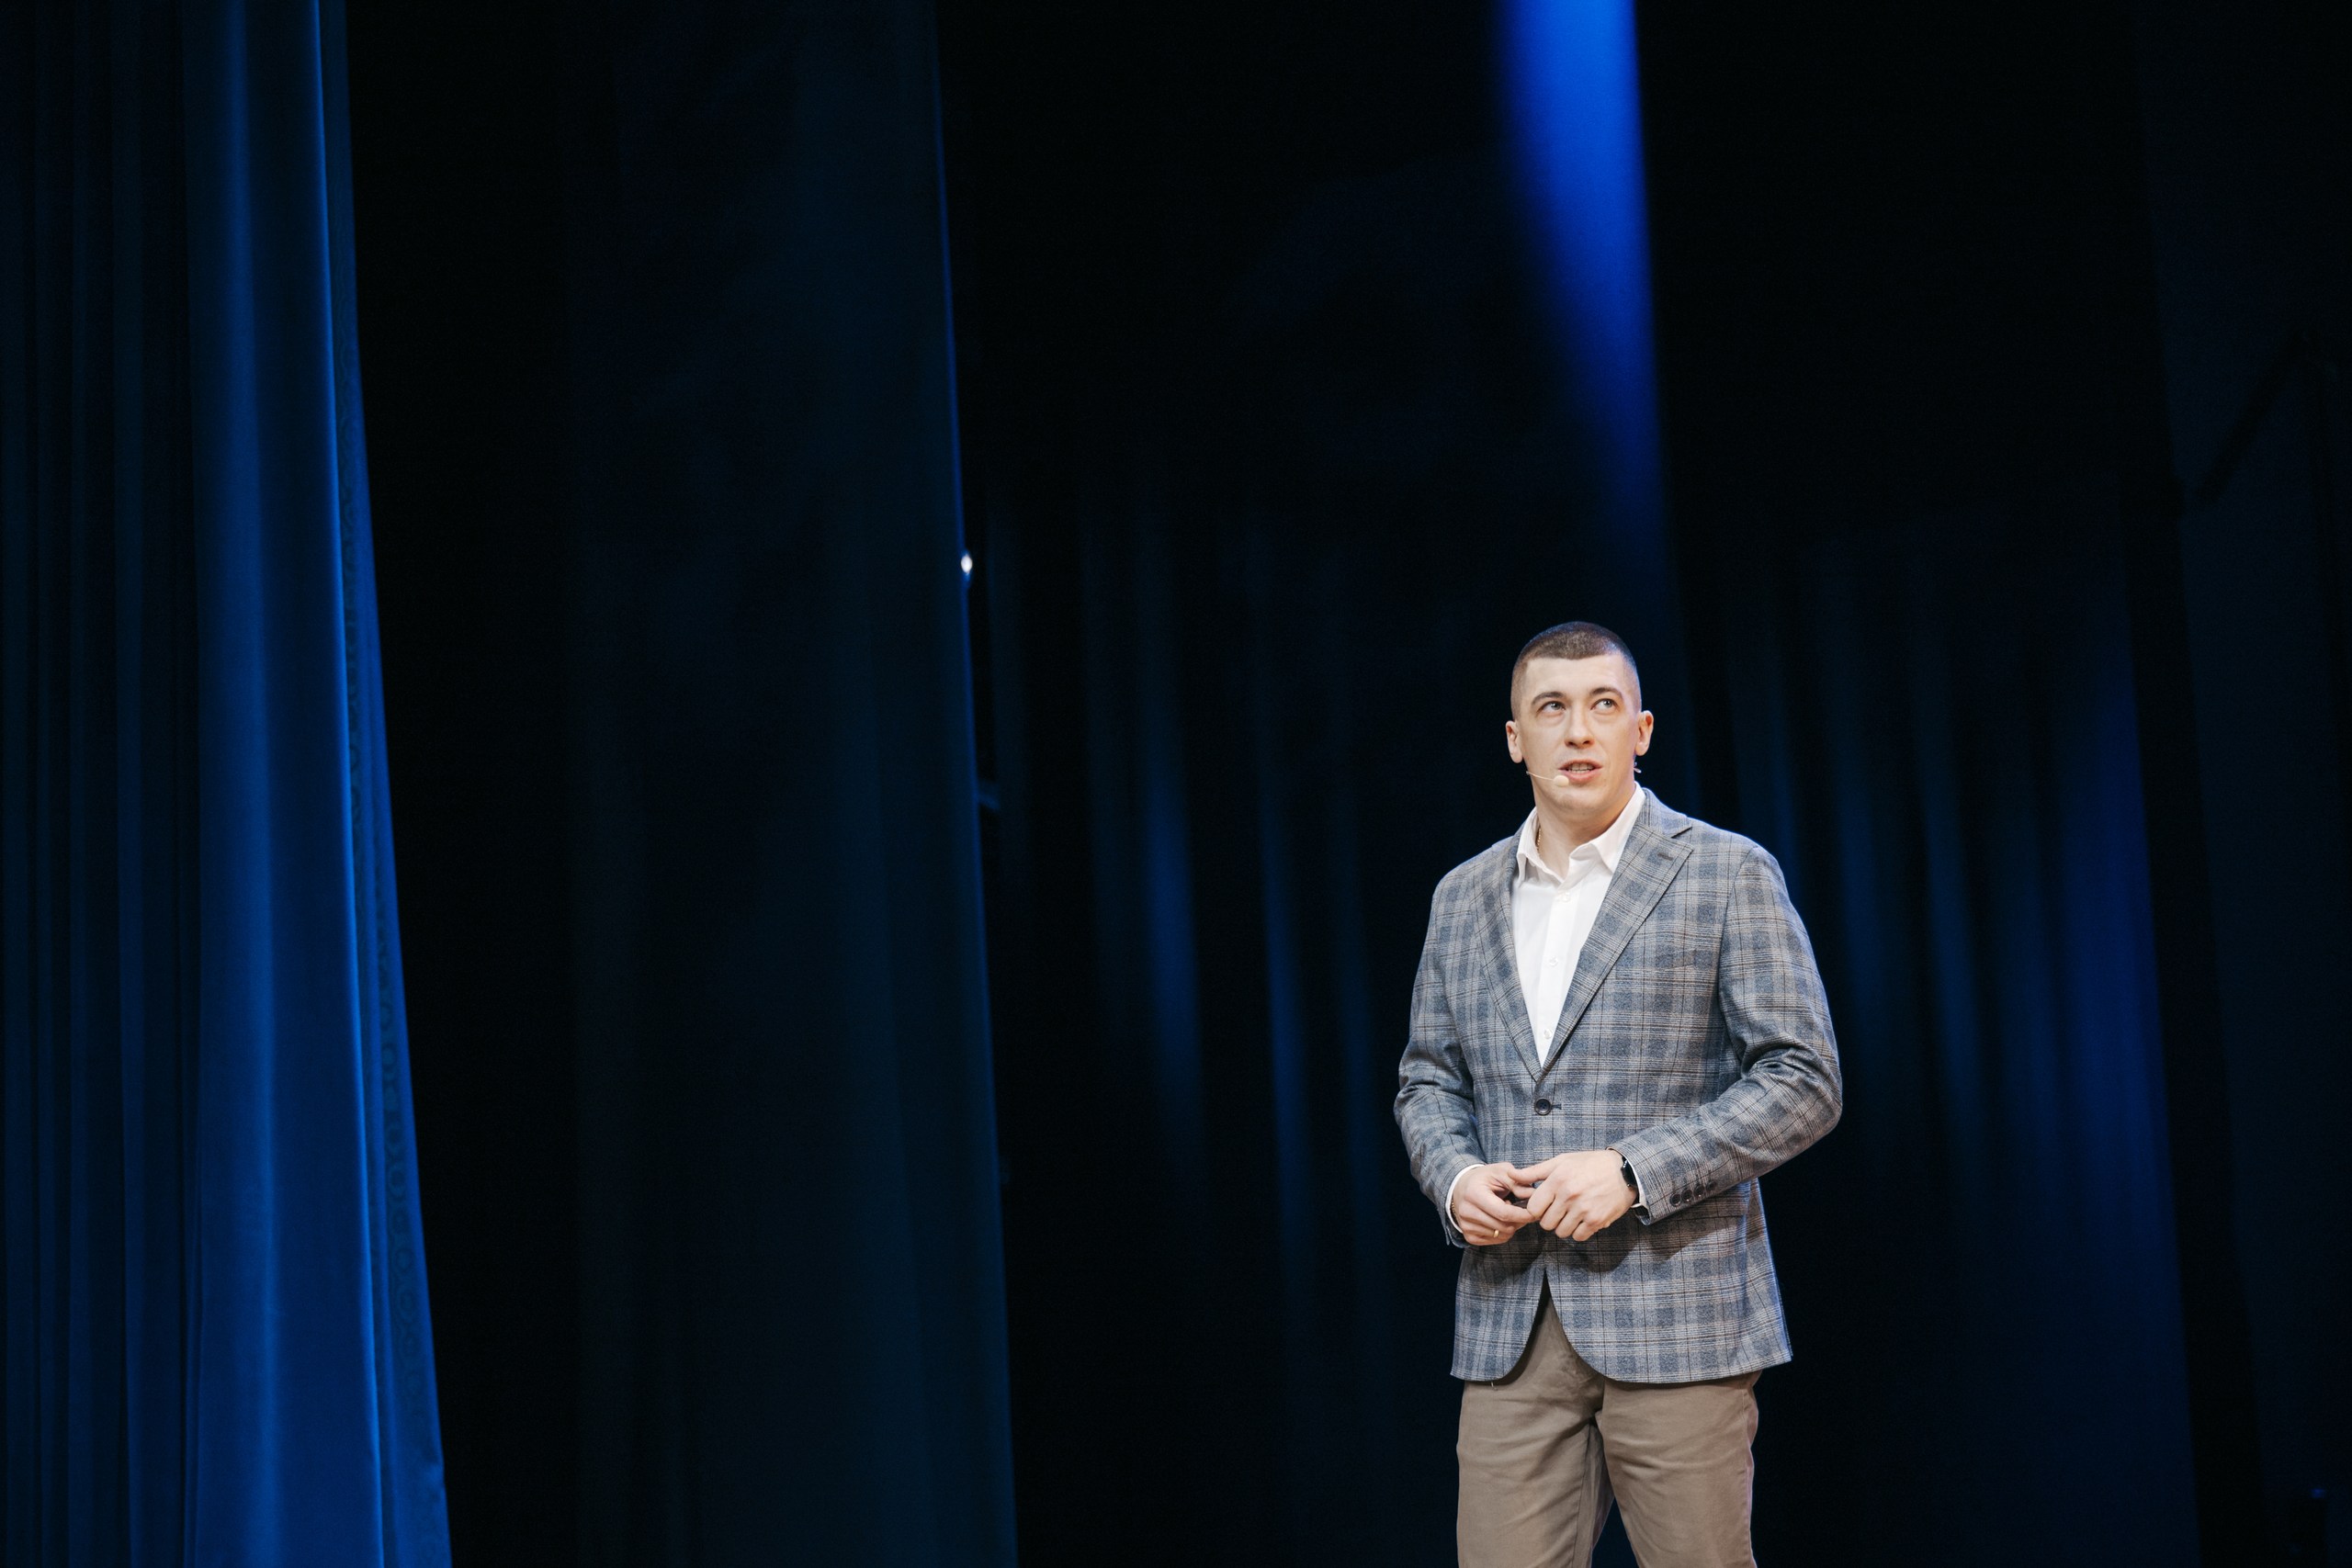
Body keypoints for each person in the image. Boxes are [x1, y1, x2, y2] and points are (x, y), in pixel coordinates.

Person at [1394, 620, 1841, 1568]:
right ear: (1515, 738)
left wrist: (1633, 1170)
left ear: (1641, 730)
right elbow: (1428, 1078)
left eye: (1603, 705)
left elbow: (1804, 1078)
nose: (1578, 730)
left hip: (1678, 1316)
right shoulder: (1461, 896)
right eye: (1551, 708)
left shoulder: (1724, 871)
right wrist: (1455, 1178)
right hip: (1511, 1321)